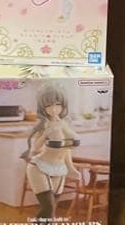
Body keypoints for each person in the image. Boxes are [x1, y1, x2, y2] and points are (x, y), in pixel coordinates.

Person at [21, 84, 82, 222]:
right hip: (39, 167)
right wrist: (45, 134)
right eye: (48, 105)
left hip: (60, 168)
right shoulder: (44, 124)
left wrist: (71, 168)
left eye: (57, 104)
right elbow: (35, 148)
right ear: (43, 107)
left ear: (63, 105)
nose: (53, 109)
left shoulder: (65, 123)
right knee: (48, 208)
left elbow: (66, 149)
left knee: (51, 210)